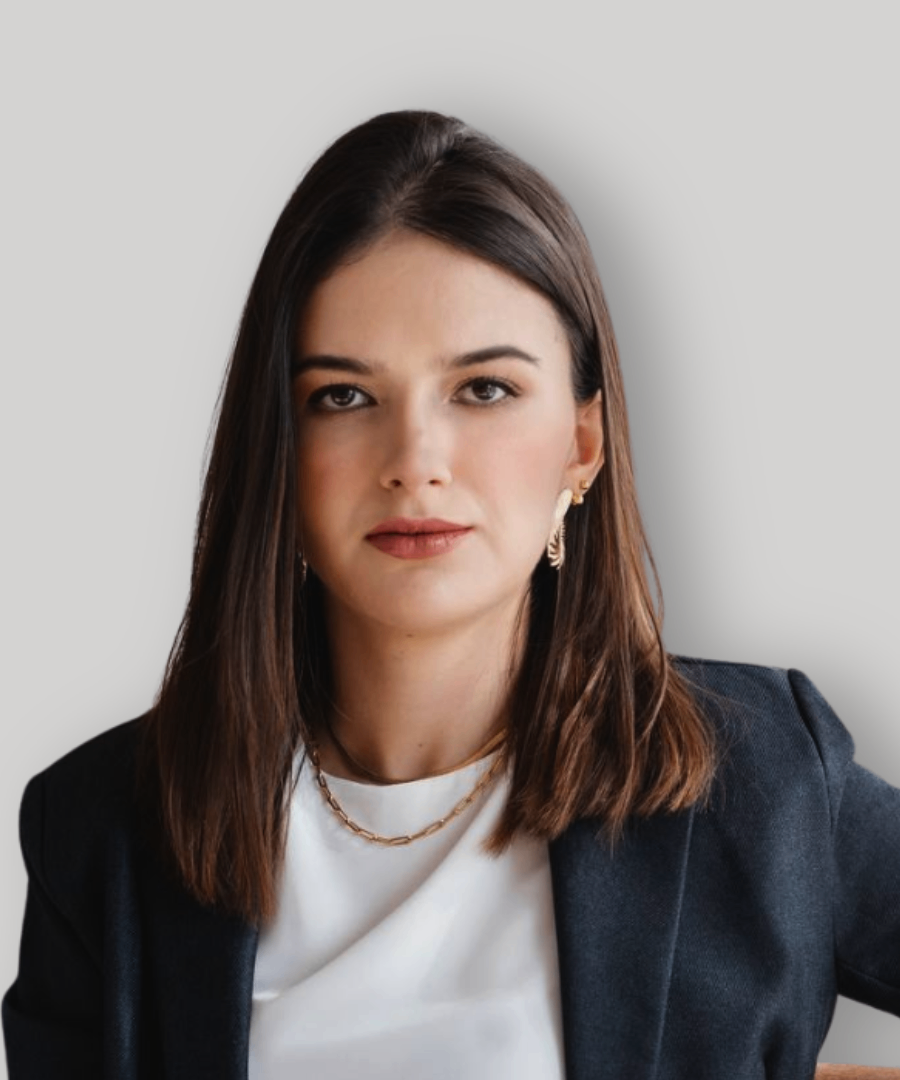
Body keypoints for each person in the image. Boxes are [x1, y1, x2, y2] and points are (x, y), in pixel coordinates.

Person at [2, 109, 898, 1080]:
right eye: (343, 397)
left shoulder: (764, 777)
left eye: (484, 390)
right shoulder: (99, 828)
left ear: (582, 446)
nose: (414, 461)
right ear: (278, 455)